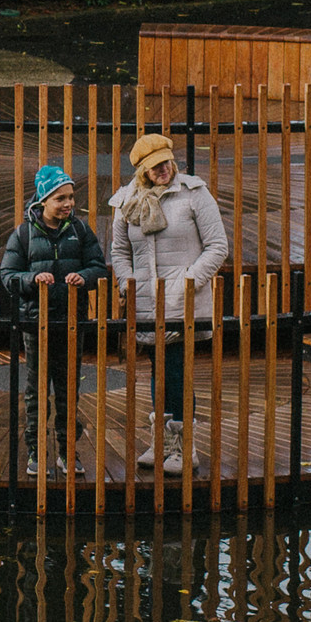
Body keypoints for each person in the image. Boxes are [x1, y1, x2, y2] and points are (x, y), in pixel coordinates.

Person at [108, 131, 227, 474]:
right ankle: (162, 441)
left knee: (176, 370)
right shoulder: (126, 201)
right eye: (155, 166)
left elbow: (217, 246)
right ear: (142, 171)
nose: (163, 169)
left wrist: (188, 282)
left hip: (181, 299)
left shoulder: (194, 194)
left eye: (166, 162)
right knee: (158, 372)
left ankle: (183, 447)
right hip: (145, 299)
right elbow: (119, 250)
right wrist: (127, 283)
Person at [0, 165, 106, 477]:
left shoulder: (81, 231)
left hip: (73, 323)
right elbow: (8, 276)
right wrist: (32, 279)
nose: (68, 203)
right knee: (36, 390)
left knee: (68, 388)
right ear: (43, 200)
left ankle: (66, 451)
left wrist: (84, 276)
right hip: (36, 324)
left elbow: (99, 266)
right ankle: (35, 451)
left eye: (71, 197)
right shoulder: (22, 234)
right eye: (61, 198)